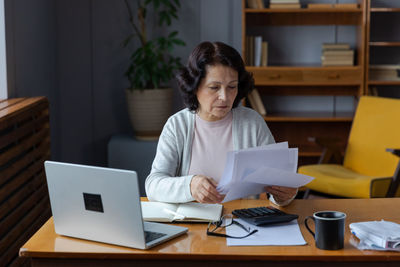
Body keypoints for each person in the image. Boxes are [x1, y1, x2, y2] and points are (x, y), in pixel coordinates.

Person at [145, 41, 297, 205]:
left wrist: (284, 195)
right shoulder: (177, 125)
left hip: (243, 221)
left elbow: (277, 185)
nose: (225, 97)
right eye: (214, 87)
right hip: (193, 223)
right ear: (195, 87)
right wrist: (190, 185)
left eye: (232, 87)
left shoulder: (252, 122)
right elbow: (153, 185)